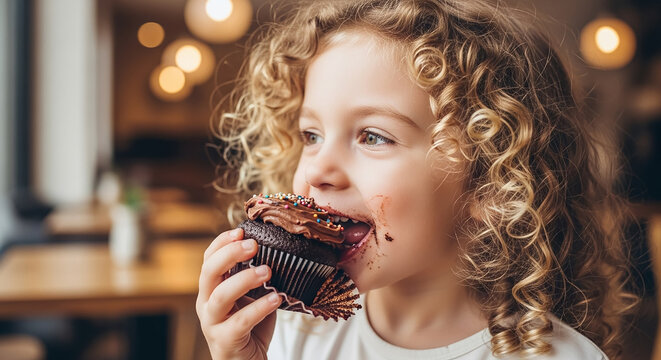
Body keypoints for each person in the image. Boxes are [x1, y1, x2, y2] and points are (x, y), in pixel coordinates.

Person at [197, 0, 639, 359]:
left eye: (373, 136)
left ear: (490, 183)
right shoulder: (288, 332)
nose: (316, 170)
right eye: (311, 135)